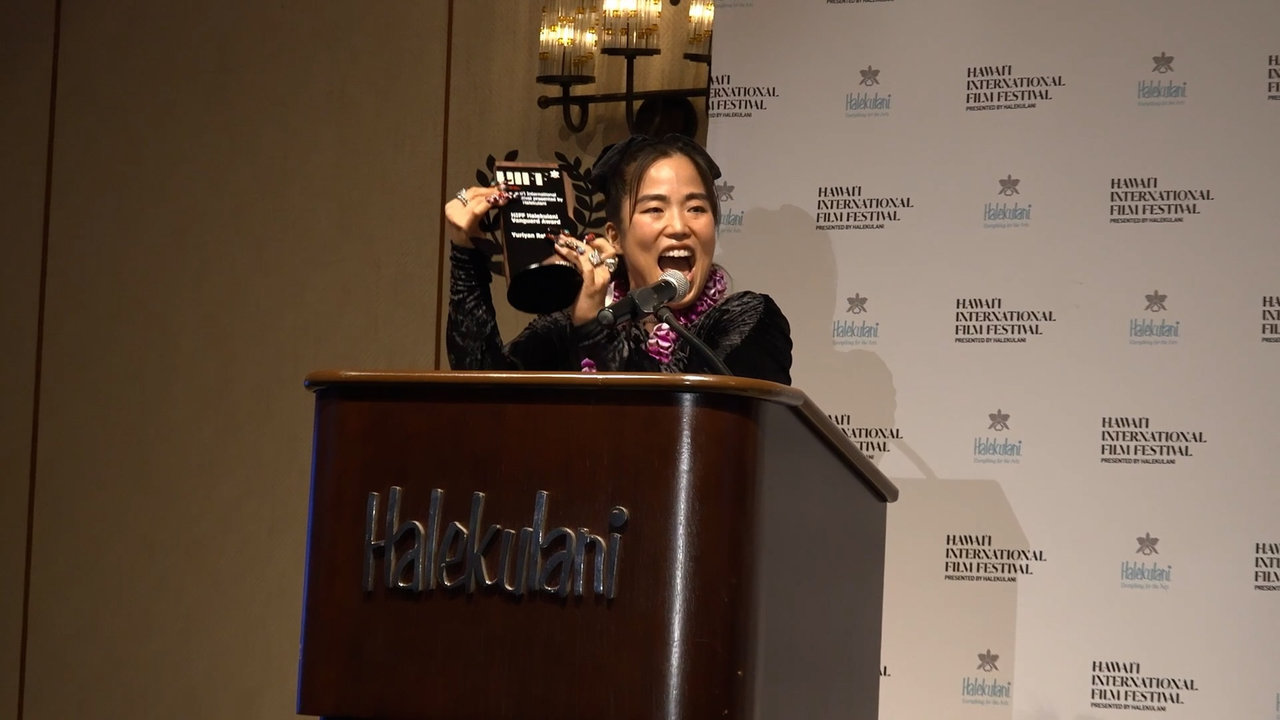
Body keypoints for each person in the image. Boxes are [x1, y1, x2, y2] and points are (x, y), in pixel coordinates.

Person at [444, 134, 792, 385]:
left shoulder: (747, 318)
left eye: (696, 208)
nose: (679, 226)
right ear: (615, 237)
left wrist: (594, 330)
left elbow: (685, 417)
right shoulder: (568, 325)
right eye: (655, 209)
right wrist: (465, 252)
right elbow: (484, 388)